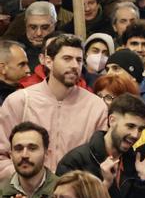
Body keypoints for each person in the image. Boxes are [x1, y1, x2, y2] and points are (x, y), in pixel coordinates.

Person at [0, 34, 108, 178]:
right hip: (25, 187)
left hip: (77, 189)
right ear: (49, 61)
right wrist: (32, 179)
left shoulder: (96, 107)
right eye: (67, 58)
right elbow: (2, 157)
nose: (74, 65)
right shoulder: (19, 101)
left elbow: (101, 160)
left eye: (79, 60)